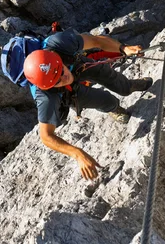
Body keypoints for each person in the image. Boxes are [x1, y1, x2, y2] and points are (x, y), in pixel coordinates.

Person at [23, 28, 153, 181]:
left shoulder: (60, 43)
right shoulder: (46, 97)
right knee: (105, 100)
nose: (64, 77)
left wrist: (123, 48)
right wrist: (77, 154)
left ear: (56, 58)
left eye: (60, 70)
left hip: (76, 65)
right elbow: (46, 136)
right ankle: (114, 108)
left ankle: (128, 86)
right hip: (68, 93)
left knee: (108, 75)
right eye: (58, 80)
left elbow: (96, 40)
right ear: (48, 87)